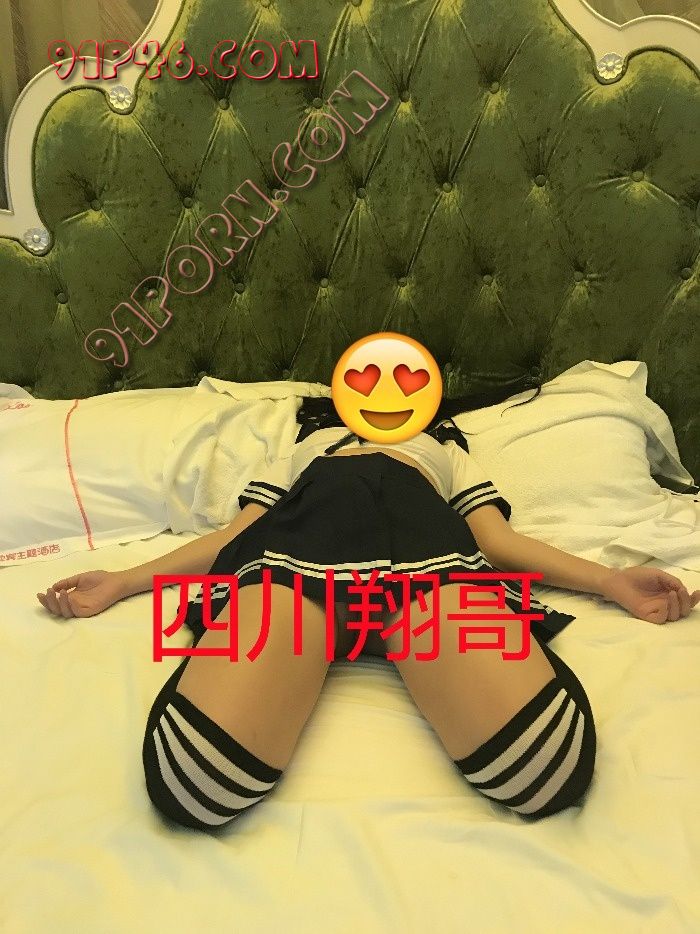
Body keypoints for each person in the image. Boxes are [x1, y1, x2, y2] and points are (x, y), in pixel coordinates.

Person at [37, 376, 700, 833]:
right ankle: (320, 634)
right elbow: (235, 535)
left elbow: (497, 541)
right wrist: (124, 581)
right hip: (297, 550)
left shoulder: (444, 448)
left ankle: (358, 632)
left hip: (425, 556)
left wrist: (610, 581)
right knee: (195, 781)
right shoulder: (305, 446)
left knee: (544, 767)